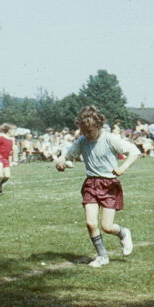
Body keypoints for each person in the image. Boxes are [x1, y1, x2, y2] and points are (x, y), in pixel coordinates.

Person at [54, 105, 141, 268]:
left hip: (109, 185)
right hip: (91, 184)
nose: (87, 135)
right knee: (90, 223)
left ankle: (123, 233)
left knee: (106, 227)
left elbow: (134, 152)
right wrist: (60, 162)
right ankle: (102, 256)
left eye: (90, 131)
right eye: (84, 131)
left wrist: (122, 168)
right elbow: (67, 155)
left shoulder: (110, 139)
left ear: (99, 126)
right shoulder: (82, 140)